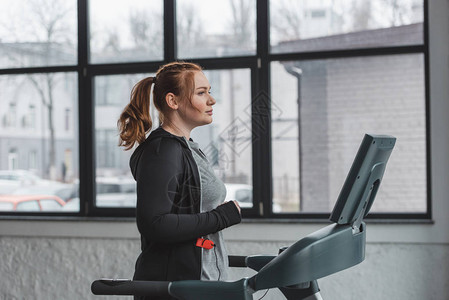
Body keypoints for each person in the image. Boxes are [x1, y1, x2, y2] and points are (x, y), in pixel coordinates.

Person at [118, 62, 242, 299]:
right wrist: (221, 217)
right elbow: (154, 224)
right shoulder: (163, 150)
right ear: (173, 101)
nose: (211, 100)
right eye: (201, 93)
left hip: (201, 282)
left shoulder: (186, 148)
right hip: (176, 287)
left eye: (209, 91)